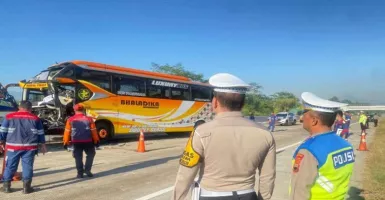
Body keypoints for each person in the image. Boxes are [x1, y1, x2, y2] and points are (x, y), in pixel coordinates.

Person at [172, 73, 276, 200]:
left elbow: (185, 174)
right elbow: (268, 177)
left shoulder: (201, 132)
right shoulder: (265, 134)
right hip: (248, 195)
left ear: (215, 102)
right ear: (242, 104)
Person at [289, 92, 355, 200]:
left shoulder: (309, 150)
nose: (301, 117)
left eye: (304, 113)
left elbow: (300, 190)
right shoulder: (345, 144)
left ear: (314, 121)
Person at [0, 100, 47, 194]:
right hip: (30, 147)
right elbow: (40, 133)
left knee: (10, 166)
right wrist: (43, 145)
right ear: (30, 109)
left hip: (13, 147)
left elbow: (3, 131)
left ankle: (6, 187)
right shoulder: (36, 118)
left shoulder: (9, 117)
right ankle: (26, 188)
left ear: (19, 107)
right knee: (27, 166)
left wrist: (1, 142)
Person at [63, 103, 100, 178]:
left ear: (74, 110)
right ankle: (87, 170)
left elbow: (67, 132)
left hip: (76, 142)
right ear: (83, 110)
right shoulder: (89, 119)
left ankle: (80, 173)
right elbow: (93, 131)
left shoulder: (70, 119)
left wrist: (65, 142)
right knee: (91, 154)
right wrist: (96, 140)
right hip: (88, 141)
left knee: (78, 157)